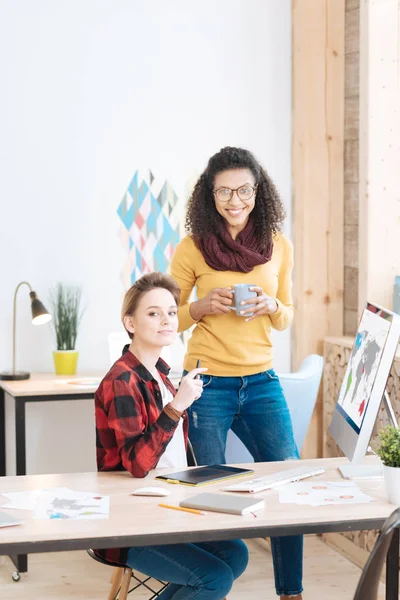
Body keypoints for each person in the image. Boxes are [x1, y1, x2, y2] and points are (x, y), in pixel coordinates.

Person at [170, 147, 303, 600]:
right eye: (224, 191)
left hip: (263, 382)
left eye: (244, 190)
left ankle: (292, 592)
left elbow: (287, 316)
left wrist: (273, 306)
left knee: (289, 484)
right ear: (210, 195)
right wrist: (203, 306)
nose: (234, 200)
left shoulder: (278, 245)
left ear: (257, 191)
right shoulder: (191, 248)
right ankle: (210, 584)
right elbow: (172, 315)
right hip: (206, 383)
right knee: (210, 490)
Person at [94, 271, 248, 600]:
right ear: (131, 323)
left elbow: (174, 455)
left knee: (235, 554)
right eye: (154, 313)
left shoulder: (162, 374)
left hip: (168, 505)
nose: (167, 320)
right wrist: (178, 405)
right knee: (215, 579)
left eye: (172, 312)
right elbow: (138, 465)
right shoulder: (122, 380)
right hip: (133, 522)